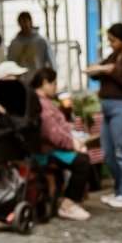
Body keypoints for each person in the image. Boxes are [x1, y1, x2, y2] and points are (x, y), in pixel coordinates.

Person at [86, 22, 122, 209]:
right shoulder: (114, 55)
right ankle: (119, 191)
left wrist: (113, 70)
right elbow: (100, 71)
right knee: (108, 153)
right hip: (108, 108)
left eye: (114, 40)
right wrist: (96, 69)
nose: (111, 44)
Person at [29, 67, 94, 221]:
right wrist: (71, 144)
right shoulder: (41, 104)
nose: (55, 88)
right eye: (54, 84)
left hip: (51, 147)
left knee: (82, 159)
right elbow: (52, 133)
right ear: (45, 83)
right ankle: (68, 203)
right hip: (48, 151)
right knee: (83, 163)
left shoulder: (42, 102)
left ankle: (67, 200)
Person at [6, 10, 55, 75]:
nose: (24, 25)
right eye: (21, 22)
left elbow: (51, 61)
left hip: (38, 80)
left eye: (26, 22)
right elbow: (10, 63)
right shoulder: (14, 44)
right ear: (19, 24)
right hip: (20, 81)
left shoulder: (41, 41)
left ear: (31, 22)